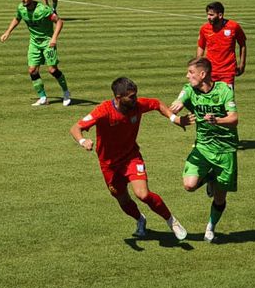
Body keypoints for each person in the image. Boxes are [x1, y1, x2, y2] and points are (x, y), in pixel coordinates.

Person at [70, 77, 187, 241]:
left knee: (143, 194)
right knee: (123, 200)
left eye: (136, 95)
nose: (135, 99)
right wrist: (83, 141)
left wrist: (174, 118)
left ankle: (171, 220)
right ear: (119, 98)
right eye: (131, 97)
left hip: (131, 157)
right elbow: (76, 128)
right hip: (109, 165)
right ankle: (140, 219)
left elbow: (157, 104)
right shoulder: (103, 111)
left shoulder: (137, 105)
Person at [164, 58, 239, 243]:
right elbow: (181, 97)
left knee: (220, 198)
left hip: (225, 149)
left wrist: (217, 120)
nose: (187, 76)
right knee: (189, 185)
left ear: (203, 74)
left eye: (191, 72)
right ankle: (210, 178)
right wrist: (177, 108)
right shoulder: (189, 90)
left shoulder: (224, 90)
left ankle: (210, 227)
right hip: (203, 147)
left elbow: (234, 119)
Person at [0, 0, 71, 106]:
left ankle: (66, 92)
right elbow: (17, 18)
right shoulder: (21, 8)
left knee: (52, 70)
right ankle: (43, 97)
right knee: (32, 70)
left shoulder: (43, 10)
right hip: (34, 43)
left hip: (47, 42)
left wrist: (54, 38)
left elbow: (59, 22)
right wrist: (7, 32)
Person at [196, 1, 246, 86]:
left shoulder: (234, 26)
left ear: (220, 15)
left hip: (228, 72)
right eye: (207, 14)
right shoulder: (204, 29)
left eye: (211, 15)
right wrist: (199, 66)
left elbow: (242, 44)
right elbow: (201, 47)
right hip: (210, 71)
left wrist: (242, 65)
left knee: (227, 95)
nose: (208, 17)